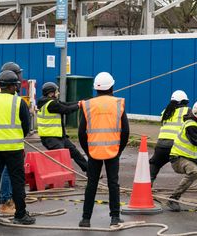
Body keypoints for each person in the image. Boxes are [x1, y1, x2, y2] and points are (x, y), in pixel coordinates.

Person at [0, 70, 35, 227]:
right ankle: (20, 215)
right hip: (14, 148)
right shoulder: (18, 102)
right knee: (17, 181)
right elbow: (26, 126)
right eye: (16, 86)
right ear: (12, 87)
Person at [78, 72, 129, 228]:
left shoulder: (88, 104)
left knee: (91, 184)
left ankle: (86, 219)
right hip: (113, 151)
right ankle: (115, 217)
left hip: (93, 151)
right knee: (113, 184)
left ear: (96, 89)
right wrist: (119, 150)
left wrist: (88, 151)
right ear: (112, 87)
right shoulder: (118, 103)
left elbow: (81, 133)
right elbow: (125, 131)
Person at [148, 90, 197, 192]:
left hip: (161, 145)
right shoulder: (188, 111)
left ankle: (148, 185)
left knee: (155, 164)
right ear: (185, 101)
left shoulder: (165, 112)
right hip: (177, 145)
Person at [37, 82, 88, 172]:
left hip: (59, 136)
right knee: (60, 158)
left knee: (75, 153)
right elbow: (66, 109)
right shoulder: (51, 104)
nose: (58, 93)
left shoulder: (50, 102)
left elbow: (66, 104)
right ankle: (55, 177)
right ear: (51, 93)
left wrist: (80, 102)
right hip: (51, 138)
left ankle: (89, 171)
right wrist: (79, 106)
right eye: (56, 91)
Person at [0, 62, 24, 216]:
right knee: (9, 172)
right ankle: (6, 201)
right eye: (18, 74)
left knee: (0, 174)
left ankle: (5, 201)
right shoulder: (14, 99)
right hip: (10, 142)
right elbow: (24, 122)